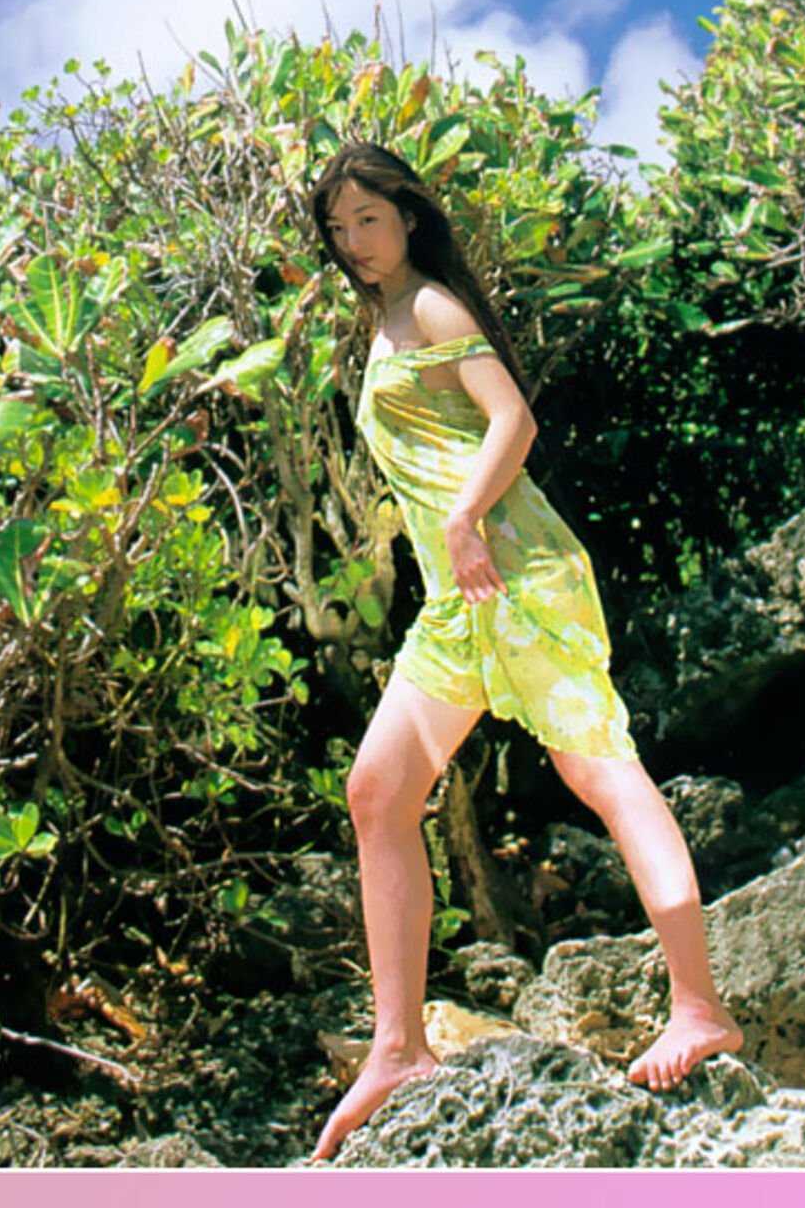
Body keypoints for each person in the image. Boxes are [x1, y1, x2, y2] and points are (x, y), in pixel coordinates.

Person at [305, 140, 742, 1165]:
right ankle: (398, 1047)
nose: (355, 240)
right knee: (378, 791)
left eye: (370, 218)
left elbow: (515, 418)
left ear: (409, 217)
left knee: (601, 770)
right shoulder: (384, 319)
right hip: (457, 600)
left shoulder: (434, 307)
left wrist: (463, 517)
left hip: (513, 574)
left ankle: (699, 1005)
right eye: (339, 227)